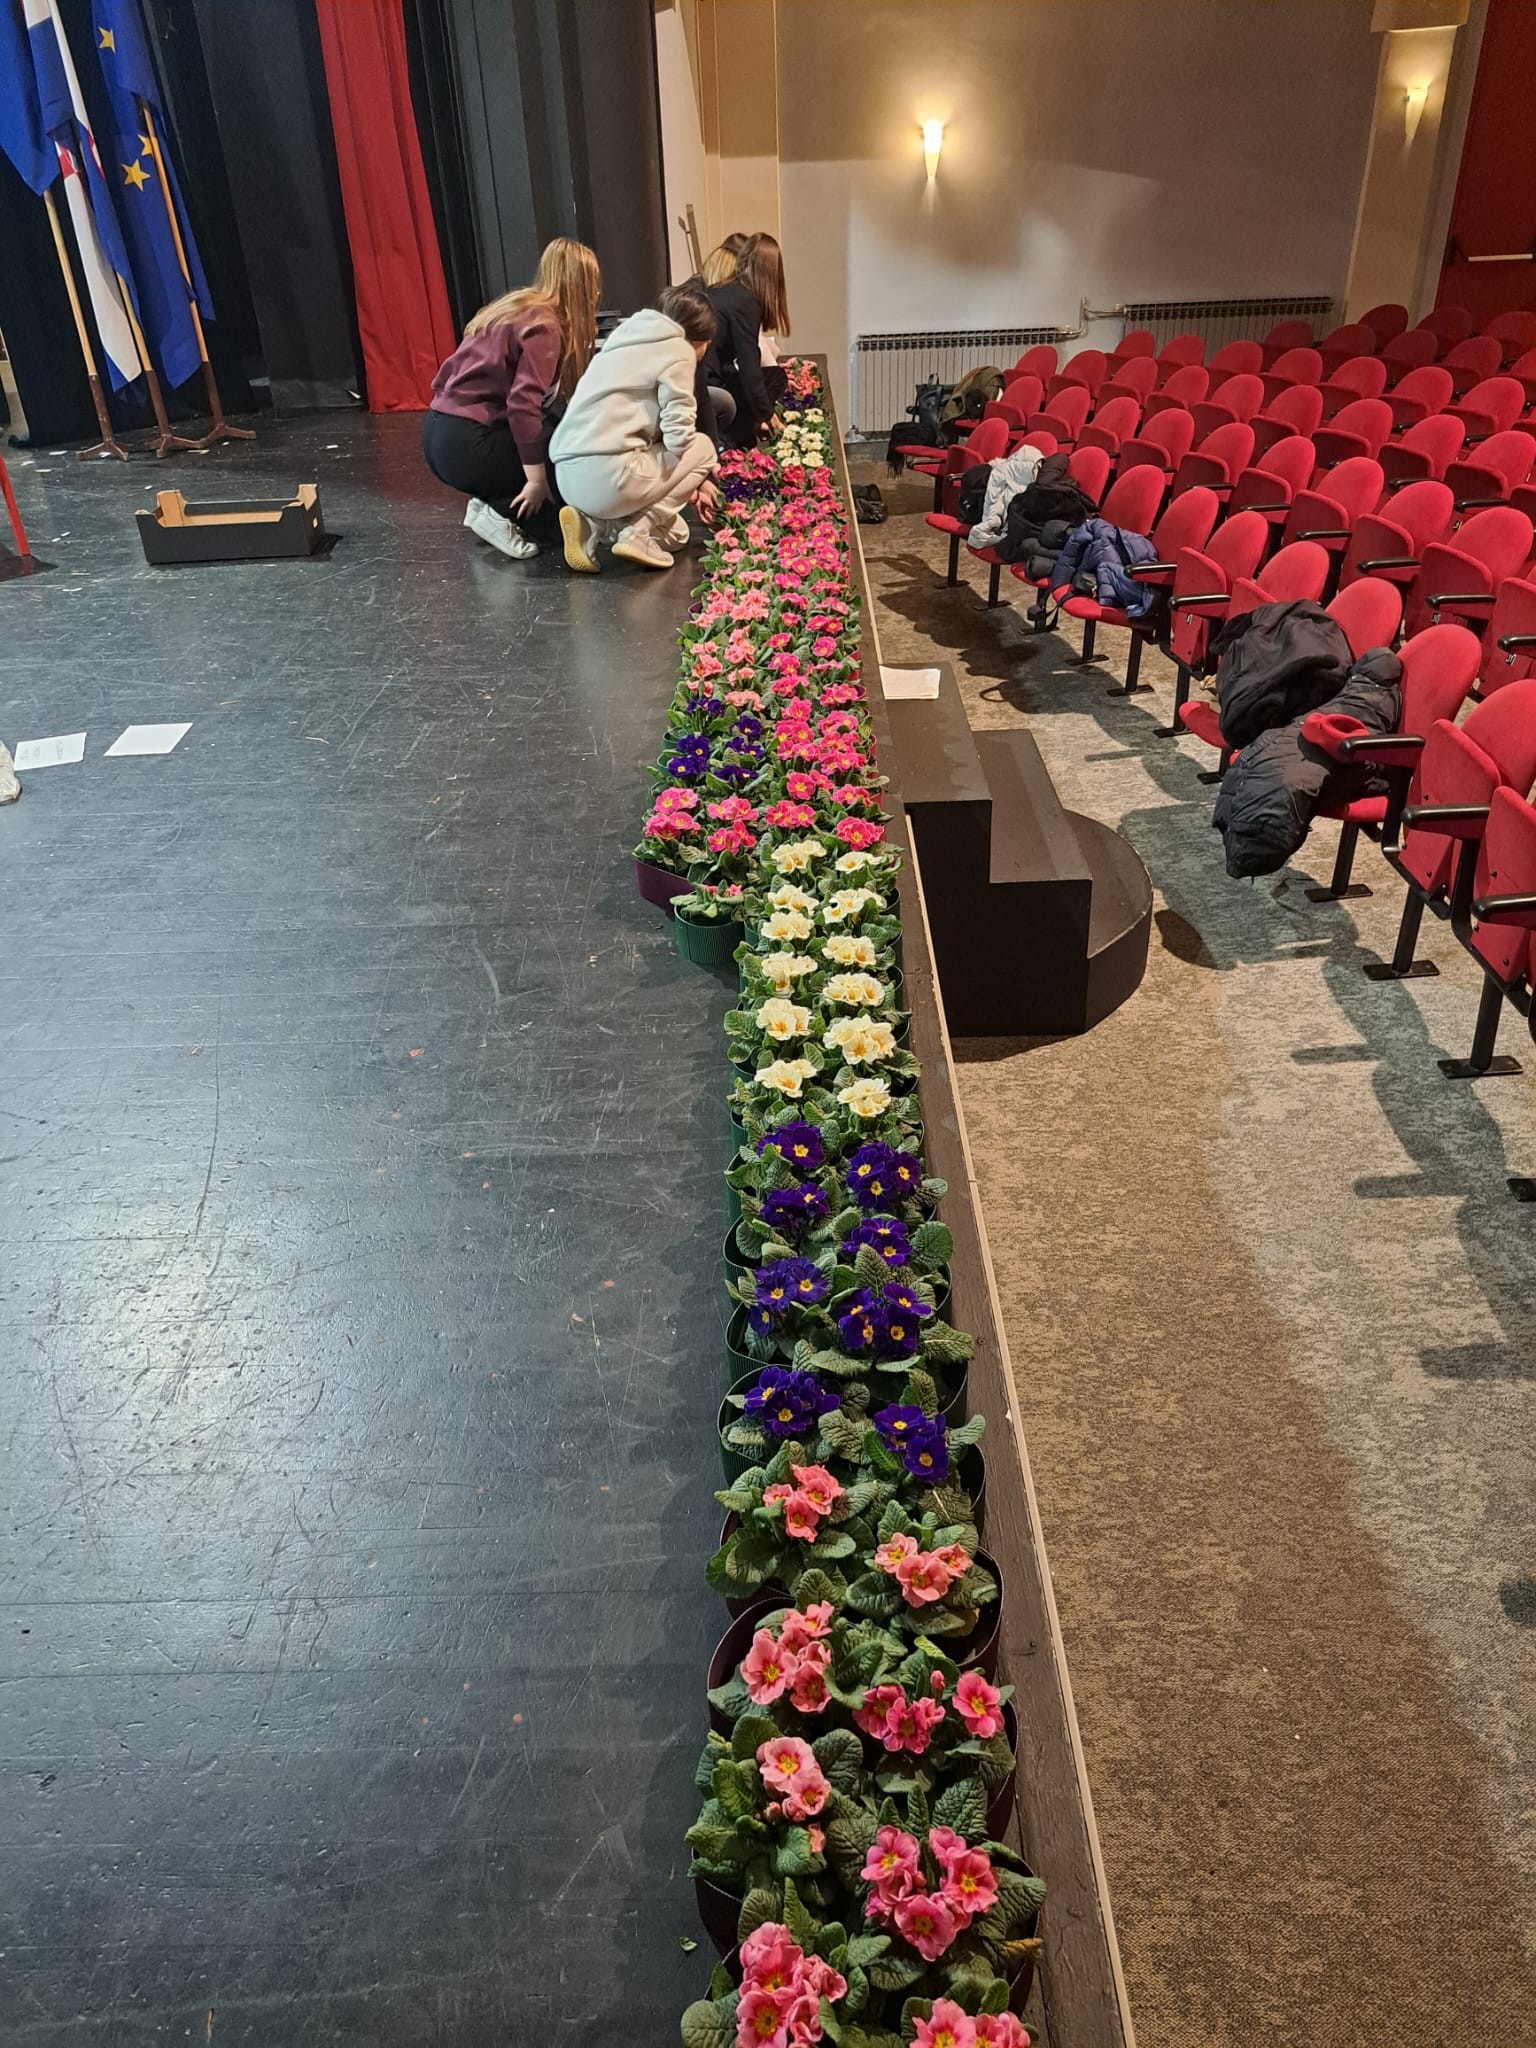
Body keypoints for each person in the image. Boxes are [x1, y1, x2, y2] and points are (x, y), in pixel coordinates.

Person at [422, 237, 600, 560]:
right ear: (587, 288)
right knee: (559, 522)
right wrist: (536, 480)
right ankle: (496, 513)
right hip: (469, 443)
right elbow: (522, 406)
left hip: (438, 433)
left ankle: (493, 501)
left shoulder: (517, 308)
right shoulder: (545, 327)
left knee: (553, 443)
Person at [549, 281, 720, 574]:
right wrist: (697, 475)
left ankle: (594, 525)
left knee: (676, 535)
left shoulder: (622, 339)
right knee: (703, 448)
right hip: (611, 475)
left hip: (568, 477)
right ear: (700, 338)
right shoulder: (679, 349)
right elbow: (680, 440)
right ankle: (637, 533)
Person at [700, 230, 791, 448]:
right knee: (776, 378)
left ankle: (746, 429)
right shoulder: (746, 302)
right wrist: (770, 418)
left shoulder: (726, 290)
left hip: (704, 376)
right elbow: (750, 370)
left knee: (768, 379)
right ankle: (735, 438)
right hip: (708, 383)